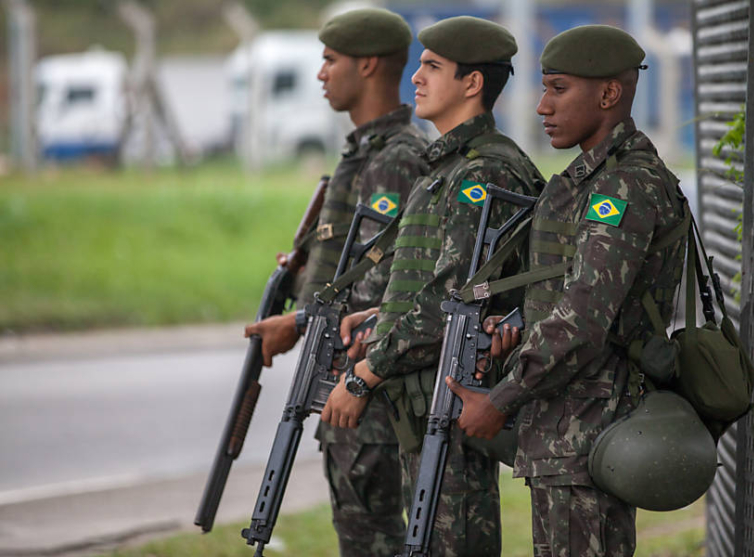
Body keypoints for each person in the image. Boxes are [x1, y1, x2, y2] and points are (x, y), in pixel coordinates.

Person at [447, 25, 689, 557]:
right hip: (566, 427)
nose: (540, 107)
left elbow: (583, 321)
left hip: (589, 431)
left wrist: (501, 401)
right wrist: (515, 326)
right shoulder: (589, 181)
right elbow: (571, 293)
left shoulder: (623, 185)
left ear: (607, 94)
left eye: (557, 89)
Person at [320, 16, 545, 557]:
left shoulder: (481, 173)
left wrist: (363, 375)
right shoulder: (447, 167)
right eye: (419, 65)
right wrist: (378, 317)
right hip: (424, 400)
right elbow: (436, 280)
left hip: (449, 400)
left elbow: (453, 305)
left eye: (433, 67)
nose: (416, 77)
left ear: (472, 84)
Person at [243, 8, 428, 557]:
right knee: (358, 533)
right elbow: (349, 263)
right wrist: (303, 275)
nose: (321, 73)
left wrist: (298, 322)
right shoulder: (363, 153)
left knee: (374, 539)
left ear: (368, 64)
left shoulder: (397, 159)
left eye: (330, 60)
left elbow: (383, 285)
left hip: (371, 386)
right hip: (342, 379)